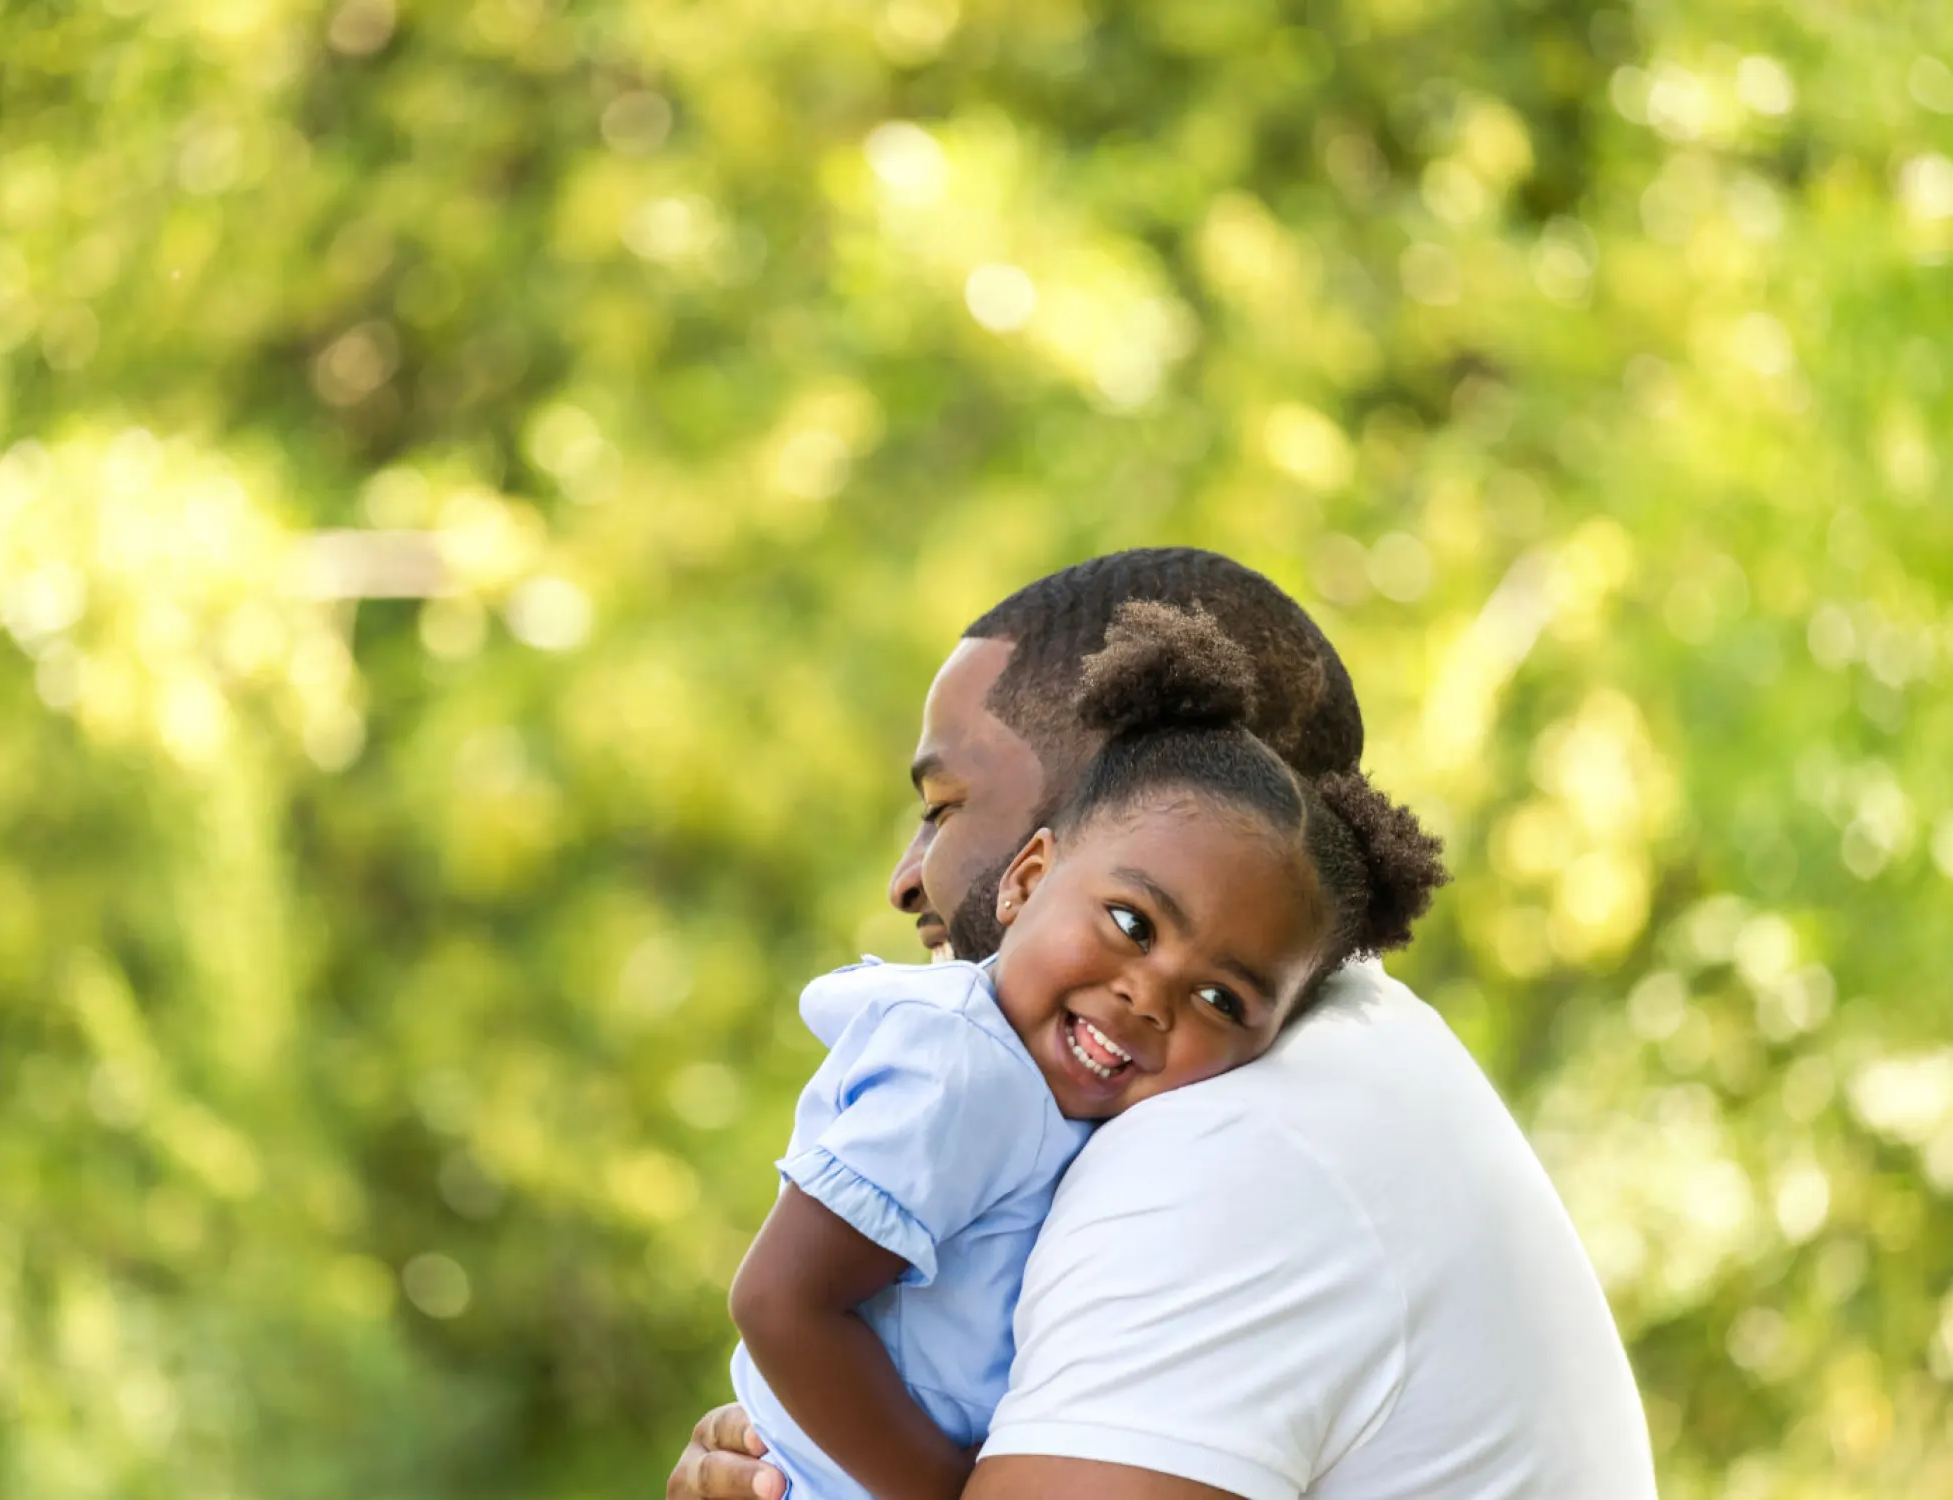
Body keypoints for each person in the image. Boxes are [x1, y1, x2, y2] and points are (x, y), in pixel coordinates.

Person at [671, 549, 1658, 1500]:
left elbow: (787, 1303)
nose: (905, 879)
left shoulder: (1229, 1145)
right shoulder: (1308, 1060)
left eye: (946, 805)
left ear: (1091, 815)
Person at [726, 603, 1447, 1500]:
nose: (1150, 996)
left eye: (1221, 1000)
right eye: (1132, 924)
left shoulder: (1103, 1116)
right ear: (1028, 880)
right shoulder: (961, 1068)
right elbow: (779, 1302)